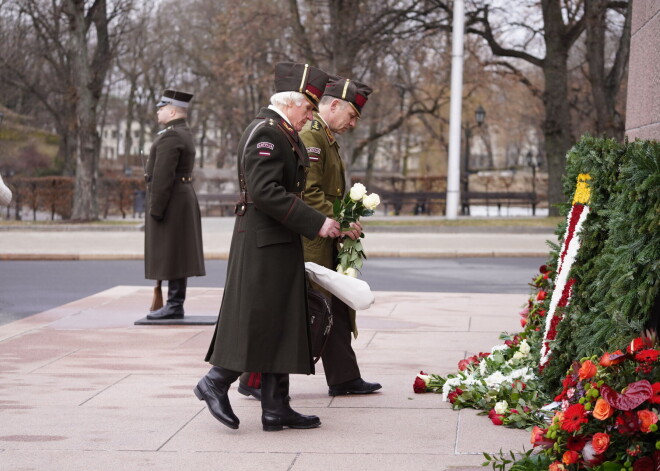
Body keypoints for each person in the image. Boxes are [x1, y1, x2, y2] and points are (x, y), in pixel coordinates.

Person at [194, 62, 341, 432]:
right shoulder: (268, 133)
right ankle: (215, 381)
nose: (311, 116)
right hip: (263, 240)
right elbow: (265, 192)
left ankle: (276, 408)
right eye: (308, 108)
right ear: (290, 103)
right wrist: (316, 221)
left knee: (283, 320)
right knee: (261, 319)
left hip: (276, 238)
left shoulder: (281, 131)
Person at [237, 75, 381, 399]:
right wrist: (337, 221)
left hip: (322, 234)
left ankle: (344, 376)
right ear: (334, 105)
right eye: (352, 115)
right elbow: (308, 193)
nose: (353, 123)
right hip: (312, 237)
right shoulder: (311, 137)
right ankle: (254, 379)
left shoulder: (324, 137)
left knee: (334, 308)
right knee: (305, 311)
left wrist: (344, 220)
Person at [144, 89, 205, 320]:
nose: (158, 111)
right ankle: (174, 303)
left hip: (172, 201)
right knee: (176, 252)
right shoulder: (179, 132)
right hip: (179, 198)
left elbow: (162, 177)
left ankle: (174, 304)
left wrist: (156, 209)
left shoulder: (171, 136)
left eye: (161, 108)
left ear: (171, 110)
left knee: (172, 253)